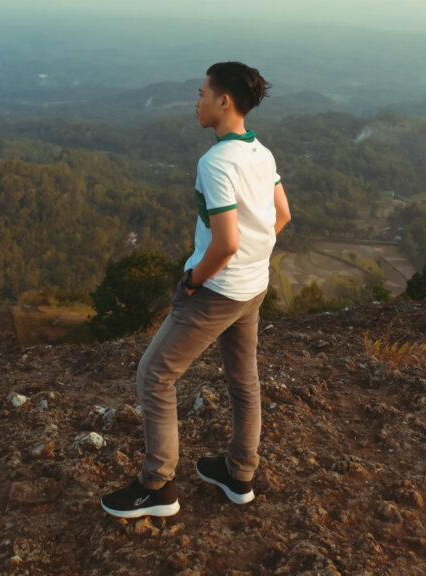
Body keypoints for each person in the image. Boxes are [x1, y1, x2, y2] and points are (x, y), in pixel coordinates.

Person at [101, 61, 291, 518]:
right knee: (243, 378)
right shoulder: (260, 154)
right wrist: (250, 264)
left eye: (203, 92)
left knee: (154, 375)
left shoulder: (216, 163)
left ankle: (157, 486)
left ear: (224, 101)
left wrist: (192, 280)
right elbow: (281, 216)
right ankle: (239, 473)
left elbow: (225, 242)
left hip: (217, 290)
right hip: (253, 286)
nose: (197, 100)